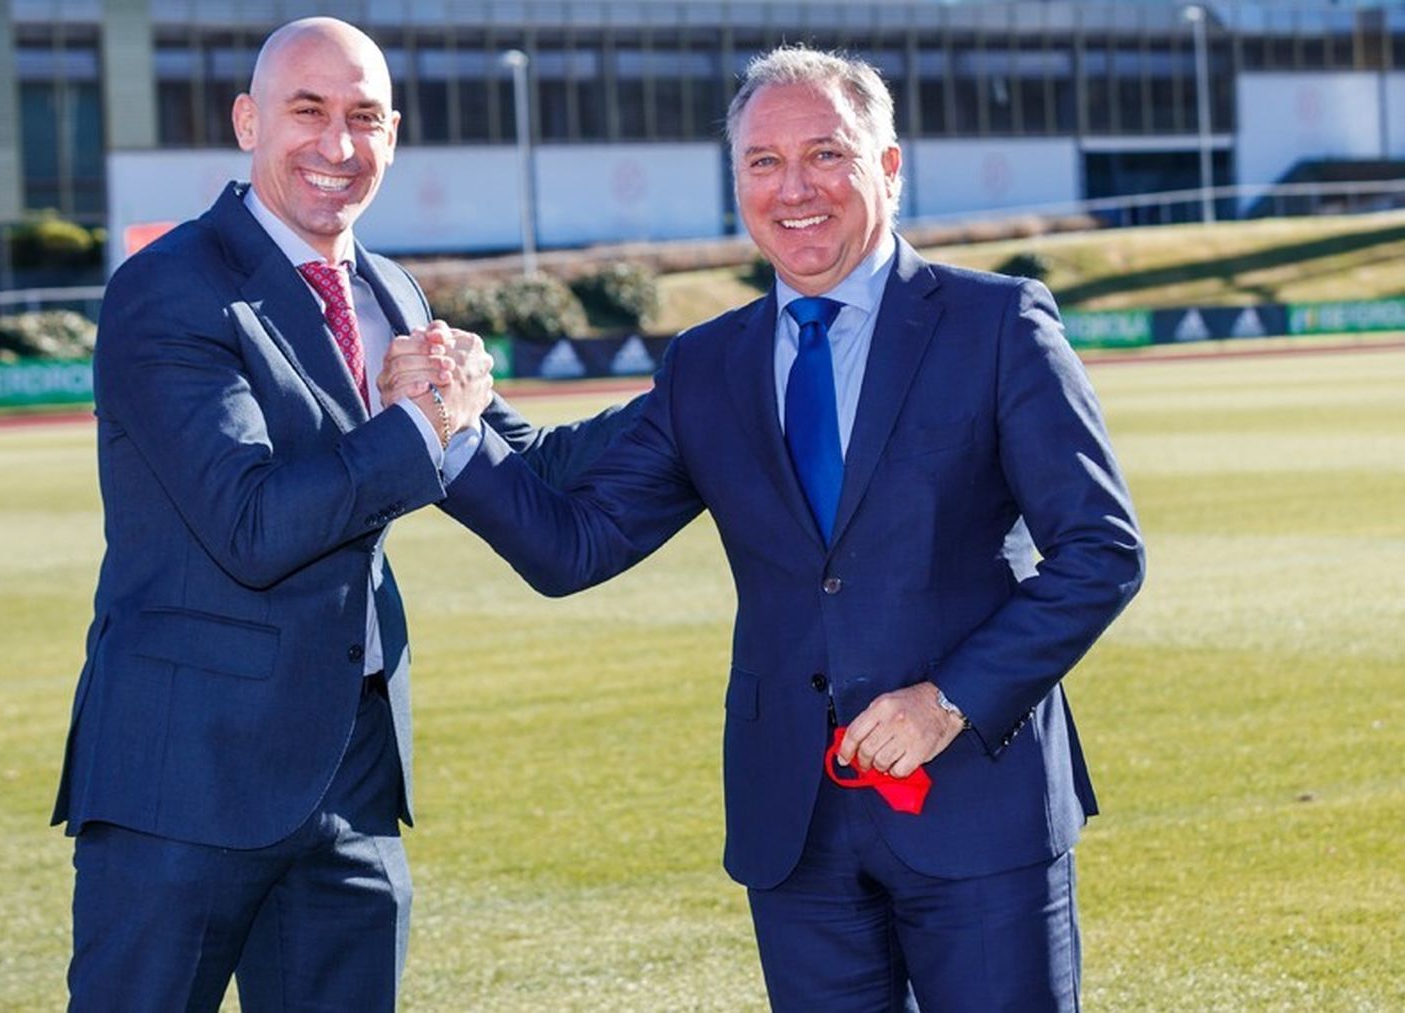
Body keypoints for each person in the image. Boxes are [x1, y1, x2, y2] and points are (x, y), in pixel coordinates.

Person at [414, 46, 1144, 1011]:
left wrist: (949, 700)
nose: (794, 188)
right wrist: (454, 436)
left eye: (826, 155)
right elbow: (573, 544)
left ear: (888, 166)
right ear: (737, 184)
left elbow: (1101, 550)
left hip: (976, 804)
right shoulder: (709, 364)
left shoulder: (995, 323)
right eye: (763, 162)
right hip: (792, 825)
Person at [50, 17, 630, 1011]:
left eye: (364, 117)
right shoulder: (171, 288)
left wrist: (721, 387)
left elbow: (528, 474)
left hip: (352, 782)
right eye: (306, 111)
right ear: (247, 120)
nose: (337, 143)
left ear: (392, 135)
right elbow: (252, 523)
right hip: (181, 780)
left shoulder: (393, 293)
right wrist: (413, 423)